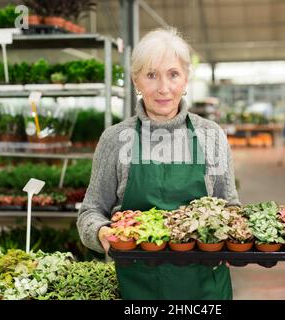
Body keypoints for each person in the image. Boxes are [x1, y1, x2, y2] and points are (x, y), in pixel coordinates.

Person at [77, 28, 240, 300]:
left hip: (205, 287)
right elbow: (90, 213)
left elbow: (231, 206)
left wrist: (232, 236)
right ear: (136, 81)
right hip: (137, 287)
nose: (163, 88)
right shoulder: (115, 139)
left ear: (186, 79)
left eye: (173, 74)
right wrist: (102, 233)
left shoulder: (211, 136)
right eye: (151, 75)